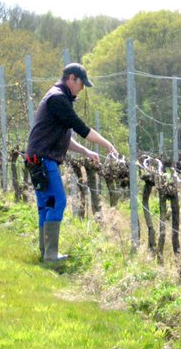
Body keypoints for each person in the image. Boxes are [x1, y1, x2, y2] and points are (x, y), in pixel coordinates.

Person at [25, 62, 116, 263]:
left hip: (36, 159)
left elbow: (64, 135)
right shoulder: (58, 99)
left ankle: (46, 253)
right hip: (43, 160)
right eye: (81, 84)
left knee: (46, 205)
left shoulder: (56, 96)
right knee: (58, 201)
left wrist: (84, 151)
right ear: (71, 78)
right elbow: (81, 129)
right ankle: (50, 255)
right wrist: (107, 144)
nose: (82, 89)